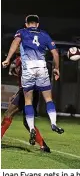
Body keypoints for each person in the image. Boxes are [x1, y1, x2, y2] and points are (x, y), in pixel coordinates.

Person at [2, 14, 64, 145]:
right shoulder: (44, 34)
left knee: (13, 112)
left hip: (29, 72)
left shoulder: (21, 34)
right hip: (42, 68)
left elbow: (15, 42)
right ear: (38, 24)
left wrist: (8, 59)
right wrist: (57, 68)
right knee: (48, 99)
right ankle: (52, 124)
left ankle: (33, 131)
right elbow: (55, 53)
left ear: (26, 24)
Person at [1, 55, 50, 152]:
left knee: (8, 114)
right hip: (28, 91)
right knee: (27, 122)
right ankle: (43, 146)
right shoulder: (20, 59)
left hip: (28, 91)